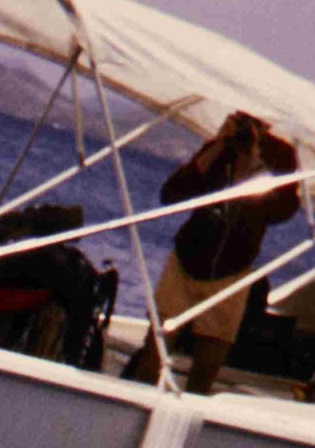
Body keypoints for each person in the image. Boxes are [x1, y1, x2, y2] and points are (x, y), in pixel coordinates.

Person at [123, 107, 301, 395]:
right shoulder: (219, 149)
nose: (249, 129)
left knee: (209, 359)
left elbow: (283, 211)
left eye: (256, 123)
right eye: (243, 120)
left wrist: (254, 167)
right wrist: (218, 145)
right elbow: (172, 194)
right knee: (155, 347)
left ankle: (193, 406)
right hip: (187, 260)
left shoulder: (281, 156)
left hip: (232, 270)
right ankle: (140, 395)